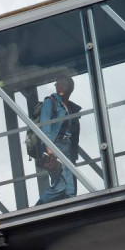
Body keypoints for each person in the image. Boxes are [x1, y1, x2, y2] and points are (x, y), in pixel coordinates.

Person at [36, 75, 81, 205]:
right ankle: (39, 208)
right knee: (60, 185)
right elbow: (45, 126)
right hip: (56, 146)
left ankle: (70, 215)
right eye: (57, 84)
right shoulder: (50, 102)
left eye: (63, 84)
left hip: (68, 148)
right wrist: (49, 148)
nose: (59, 87)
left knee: (71, 190)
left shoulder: (71, 107)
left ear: (70, 88)